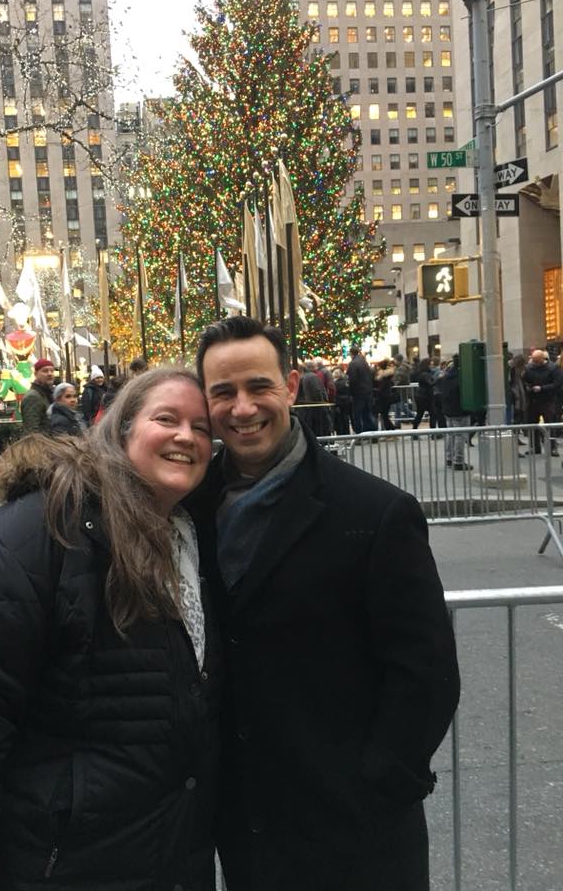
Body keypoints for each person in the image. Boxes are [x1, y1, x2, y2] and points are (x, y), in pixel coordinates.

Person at [0, 368, 221, 890]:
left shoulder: (191, 536)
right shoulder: (30, 538)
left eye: (202, 428)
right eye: (167, 419)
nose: (187, 436)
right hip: (57, 868)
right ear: (120, 427)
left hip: (159, 859)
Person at [189, 316, 459, 891]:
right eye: (223, 393)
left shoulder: (375, 512)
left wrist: (382, 781)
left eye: (258, 387)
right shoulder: (187, 507)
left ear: (289, 387)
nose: (243, 408)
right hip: (246, 821)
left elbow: (425, 667)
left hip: (355, 824)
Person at [523, 349, 560, 454]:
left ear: (542, 359)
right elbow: (524, 381)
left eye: (536, 361)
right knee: (532, 424)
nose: (535, 363)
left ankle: (552, 447)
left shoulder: (553, 368)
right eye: (533, 361)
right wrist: (528, 388)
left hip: (548, 400)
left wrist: (542, 388)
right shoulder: (529, 368)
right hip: (533, 400)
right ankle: (534, 447)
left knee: (550, 424)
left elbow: (557, 383)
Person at [440, 355, 472, 470]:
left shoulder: (445, 376)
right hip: (459, 410)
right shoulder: (463, 377)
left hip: (448, 409)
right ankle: (458, 460)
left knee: (450, 434)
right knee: (460, 435)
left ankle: (449, 458)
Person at [346, 345, 377, 433]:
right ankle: (372, 432)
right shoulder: (364, 362)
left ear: (351, 353)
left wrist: (350, 392)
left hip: (358, 393)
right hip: (367, 391)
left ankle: (359, 434)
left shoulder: (353, 364)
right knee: (367, 413)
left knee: (357, 415)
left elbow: (352, 379)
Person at [294, 359, 329, 436]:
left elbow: (316, 393)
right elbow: (318, 393)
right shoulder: (310, 377)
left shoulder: (307, 377)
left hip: (312, 409)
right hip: (313, 409)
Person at [20, 358, 55, 434]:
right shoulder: (33, 397)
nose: (50, 373)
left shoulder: (47, 394)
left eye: (52, 371)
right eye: (45, 371)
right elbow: (32, 430)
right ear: (35, 374)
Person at [412, 357, 436, 432]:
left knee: (420, 414)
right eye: (431, 364)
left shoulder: (423, 373)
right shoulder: (425, 374)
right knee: (431, 414)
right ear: (427, 365)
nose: (432, 366)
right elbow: (430, 383)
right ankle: (433, 432)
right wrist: (438, 379)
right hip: (425, 397)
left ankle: (414, 430)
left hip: (422, 396)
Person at [373, 358, 397, 431]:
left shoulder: (384, 377)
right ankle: (391, 431)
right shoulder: (386, 376)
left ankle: (392, 431)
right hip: (386, 397)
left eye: (378, 367)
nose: (377, 369)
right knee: (385, 416)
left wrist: (375, 390)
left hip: (384, 398)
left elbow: (381, 388)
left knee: (385, 416)